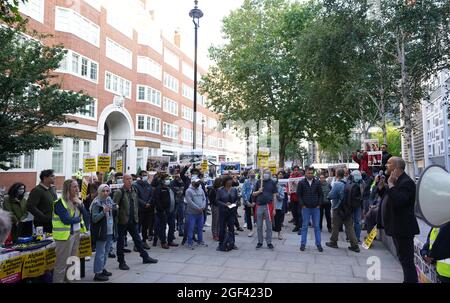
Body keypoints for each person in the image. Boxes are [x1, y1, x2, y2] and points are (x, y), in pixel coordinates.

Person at [383, 157, 420, 283]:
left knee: (407, 260)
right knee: (403, 258)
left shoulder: (407, 182)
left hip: (404, 229)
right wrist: (385, 186)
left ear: (397, 168)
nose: (386, 165)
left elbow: (400, 201)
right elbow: (390, 198)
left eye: (389, 163)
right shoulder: (395, 180)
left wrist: (391, 186)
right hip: (397, 227)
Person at [114, 174, 158, 270]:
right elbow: (115, 207)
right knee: (120, 242)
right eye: (127, 179)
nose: (130, 181)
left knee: (138, 240)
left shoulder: (134, 190)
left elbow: (136, 203)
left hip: (133, 220)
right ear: (123, 181)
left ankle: (145, 257)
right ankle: (121, 262)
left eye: (131, 179)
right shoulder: (119, 192)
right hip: (123, 221)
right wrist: (117, 220)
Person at [52, 179, 89, 283]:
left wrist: (80, 205)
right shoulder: (60, 203)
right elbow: (66, 220)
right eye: (75, 187)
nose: (77, 189)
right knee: (62, 264)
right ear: (68, 189)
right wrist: (79, 219)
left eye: (78, 186)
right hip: (64, 237)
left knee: (73, 261)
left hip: (76, 234)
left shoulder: (78, 201)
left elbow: (86, 216)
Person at [325, 169, 360, 252]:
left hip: (338, 208)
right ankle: (355, 245)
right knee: (349, 227)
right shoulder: (348, 182)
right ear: (344, 174)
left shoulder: (337, 184)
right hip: (347, 208)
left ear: (336, 174)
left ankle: (333, 242)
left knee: (335, 226)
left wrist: (328, 195)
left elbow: (331, 195)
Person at [90, 184, 116, 282]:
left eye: (107, 191)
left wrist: (115, 207)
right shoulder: (96, 203)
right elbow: (94, 219)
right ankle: (97, 273)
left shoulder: (109, 199)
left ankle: (102, 268)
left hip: (109, 230)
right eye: (103, 191)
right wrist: (103, 212)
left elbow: (112, 209)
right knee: (100, 253)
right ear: (99, 192)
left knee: (106, 252)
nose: (106, 193)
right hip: (101, 231)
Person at [297, 167, 323, 252]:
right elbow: (299, 195)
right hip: (306, 208)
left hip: (316, 208)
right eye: (309, 173)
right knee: (304, 226)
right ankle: (303, 244)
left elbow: (321, 194)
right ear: (305, 173)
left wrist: (319, 204)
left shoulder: (317, 182)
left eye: (312, 173)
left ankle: (318, 244)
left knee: (317, 226)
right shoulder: (301, 183)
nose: (310, 174)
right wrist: (302, 205)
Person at [252, 170, 277, 250]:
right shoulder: (258, 182)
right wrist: (259, 191)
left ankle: (269, 242)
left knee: (269, 226)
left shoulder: (272, 182)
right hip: (259, 205)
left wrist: (274, 209)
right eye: (264, 173)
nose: (266, 174)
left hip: (268, 206)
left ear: (270, 174)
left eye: (267, 173)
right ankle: (260, 242)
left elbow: (274, 196)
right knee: (259, 225)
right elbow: (253, 193)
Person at [152, 174, 178, 249]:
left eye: (169, 179)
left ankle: (170, 241)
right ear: (162, 180)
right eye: (166, 179)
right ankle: (163, 242)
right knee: (163, 227)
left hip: (172, 211)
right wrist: (161, 210)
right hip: (163, 211)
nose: (168, 180)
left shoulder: (170, 188)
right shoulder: (159, 189)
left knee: (172, 226)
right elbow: (157, 200)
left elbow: (174, 197)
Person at [216, 176, 239, 251]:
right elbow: (217, 200)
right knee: (222, 228)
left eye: (231, 180)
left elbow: (237, 200)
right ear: (225, 181)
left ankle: (232, 243)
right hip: (223, 211)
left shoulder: (234, 190)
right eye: (229, 180)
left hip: (232, 212)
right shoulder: (220, 190)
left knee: (231, 228)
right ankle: (221, 243)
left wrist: (235, 204)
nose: (230, 182)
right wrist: (225, 204)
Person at [184, 176, 207, 249]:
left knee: (200, 228)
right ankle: (189, 243)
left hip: (200, 212)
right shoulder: (188, 191)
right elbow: (189, 202)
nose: (198, 183)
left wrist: (203, 206)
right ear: (192, 182)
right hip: (191, 213)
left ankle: (200, 241)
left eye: (199, 182)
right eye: (197, 182)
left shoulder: (201, 190)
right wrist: (198, 208)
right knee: (191, 228)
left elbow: (204, 198)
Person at [133, 170, 152, 250]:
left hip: (147, 209)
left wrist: (149, 202)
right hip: (139, 209)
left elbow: (151, 195)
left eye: (146, 175)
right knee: (137, 227)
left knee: (145, 227)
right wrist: (144, 204)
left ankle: (144, 241)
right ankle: (136, 244)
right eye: (143, 175)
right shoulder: (135, 185)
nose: (145, 177)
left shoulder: (148, 185)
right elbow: (136, 197)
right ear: (140, 176)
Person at [241, 170, 257, 237]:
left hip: (255, 199)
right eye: (251, 173)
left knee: (256, 214)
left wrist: (255, 201)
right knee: (248, 215)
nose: (252, 174)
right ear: (248, 174)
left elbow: (259, 191)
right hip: (247, 199)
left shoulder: (257, 181)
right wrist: (246, 201)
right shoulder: (246, 181)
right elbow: (243, 191)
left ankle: (256, 223)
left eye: (253, 173)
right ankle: (250, 229)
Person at [351, 170, 365, 243]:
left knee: (350, 221)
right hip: (358, 204)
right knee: (357, 221)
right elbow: (363, 194)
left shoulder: (350, 182)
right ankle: (357, 238)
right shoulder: (362, 183)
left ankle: (350, 237)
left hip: (351, 204)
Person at [171, 170, 186, 237]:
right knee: (173, 217)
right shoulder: (172, 183)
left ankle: (181, 230)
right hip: (174, 202)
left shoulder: (182, 182)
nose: (177, 177)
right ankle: (172, 232)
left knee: (181, 216)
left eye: (178, 175)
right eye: (176, 176)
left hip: (181, 201)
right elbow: (174, 192)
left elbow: (183, 191)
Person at [288, 166, 302, 233]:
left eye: (297, 170)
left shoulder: (301, 178)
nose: (296, 171)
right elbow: (288, 186)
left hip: (299, 198)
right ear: (293, 171)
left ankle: (300, 227)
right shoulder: (290, 178)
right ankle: (296, 226)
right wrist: (288, 191)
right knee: (294, 213)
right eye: (295, 170)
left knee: (299, 213)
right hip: (292, 198)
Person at [273, 173, 286, 240]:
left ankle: (279, 233)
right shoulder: (270, 187)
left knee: (278, 221)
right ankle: (269, 232)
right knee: (270, 221)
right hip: (270, 206)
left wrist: (278, 195)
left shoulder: (280, 188)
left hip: (278, 207)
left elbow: (282, 197)